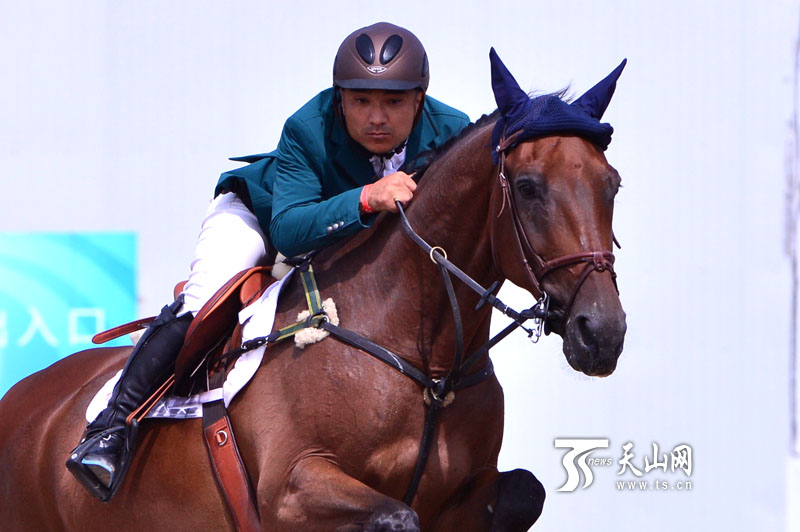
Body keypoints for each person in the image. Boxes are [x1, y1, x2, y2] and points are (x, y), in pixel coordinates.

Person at [66, 21, 470, 502]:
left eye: (393, 102)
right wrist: (365, 198)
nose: (376, 117)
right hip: (262, 217)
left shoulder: (453, 134)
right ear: (340, 98)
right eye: (361, 101)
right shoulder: (307, 126)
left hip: (347, 241)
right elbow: (290, 230)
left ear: (420, 98)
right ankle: (111, 427)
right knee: (206, 299)